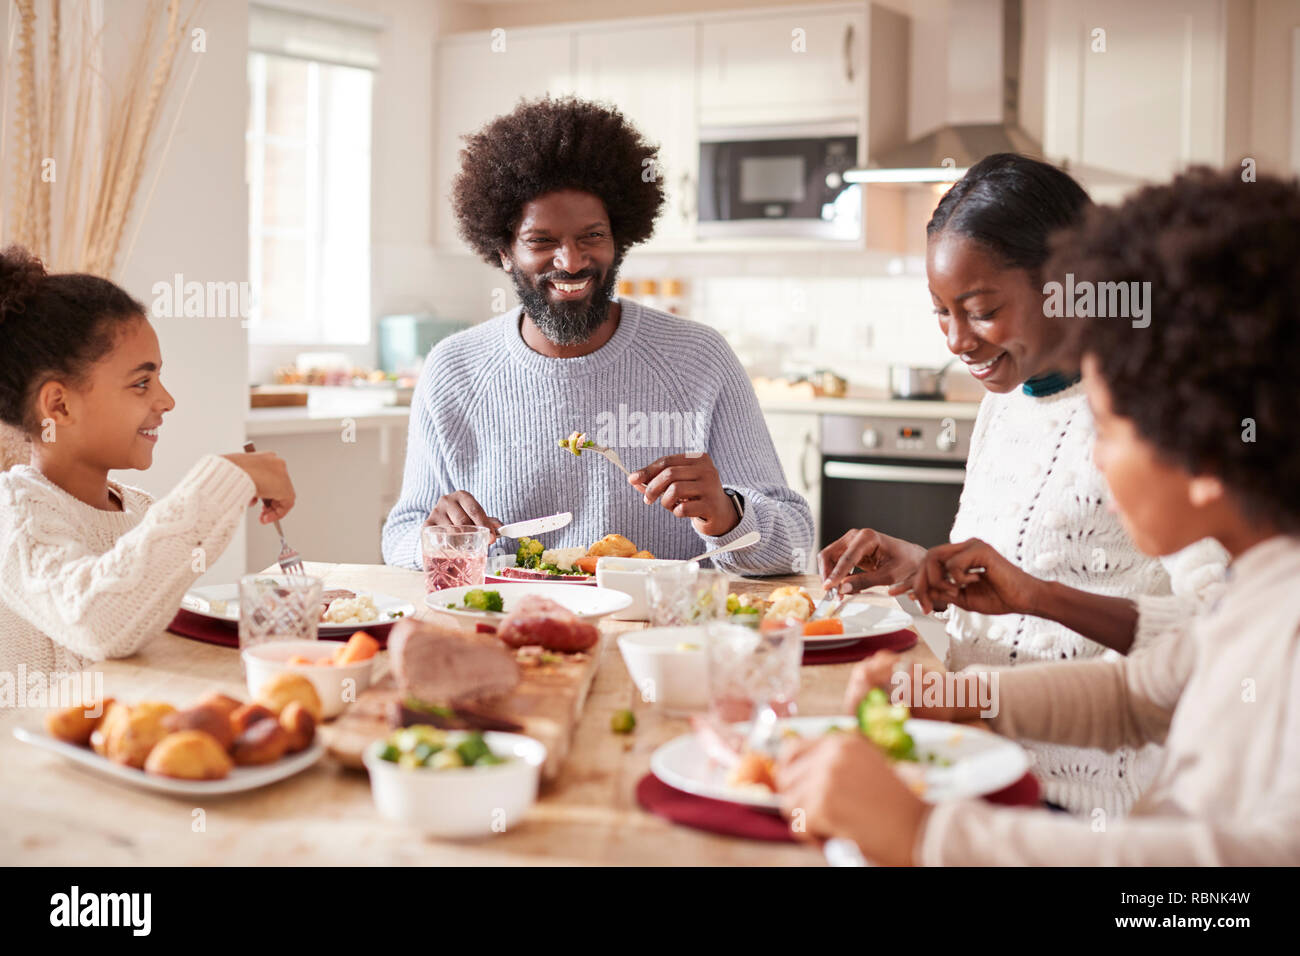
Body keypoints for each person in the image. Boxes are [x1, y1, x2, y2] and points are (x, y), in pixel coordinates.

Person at [777, 167, 1300, 865]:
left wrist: (928, 837)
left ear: (1201, 456)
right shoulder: (1262, 592)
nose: (1099, 459)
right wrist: (947, 693)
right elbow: (1134, 694)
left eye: (1110, 431)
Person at [381, 96, 813, 575]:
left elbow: (795, 543)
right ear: (503, 251)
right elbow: (400, 536)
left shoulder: (698, 357)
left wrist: (728, 513)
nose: (571, 261)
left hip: (661, 638)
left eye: (592, 236)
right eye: (541, 241)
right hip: (516, 634)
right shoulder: (454, 368)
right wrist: (436, 539)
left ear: (619, 239)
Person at [0, 246, 296, 674]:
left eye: (159, 377)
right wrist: (224, 478)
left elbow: (146, 634)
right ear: (59, 407)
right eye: (142, 382)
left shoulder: (140, 512)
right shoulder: (14, 516)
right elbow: (98, 622)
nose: (167, 400)